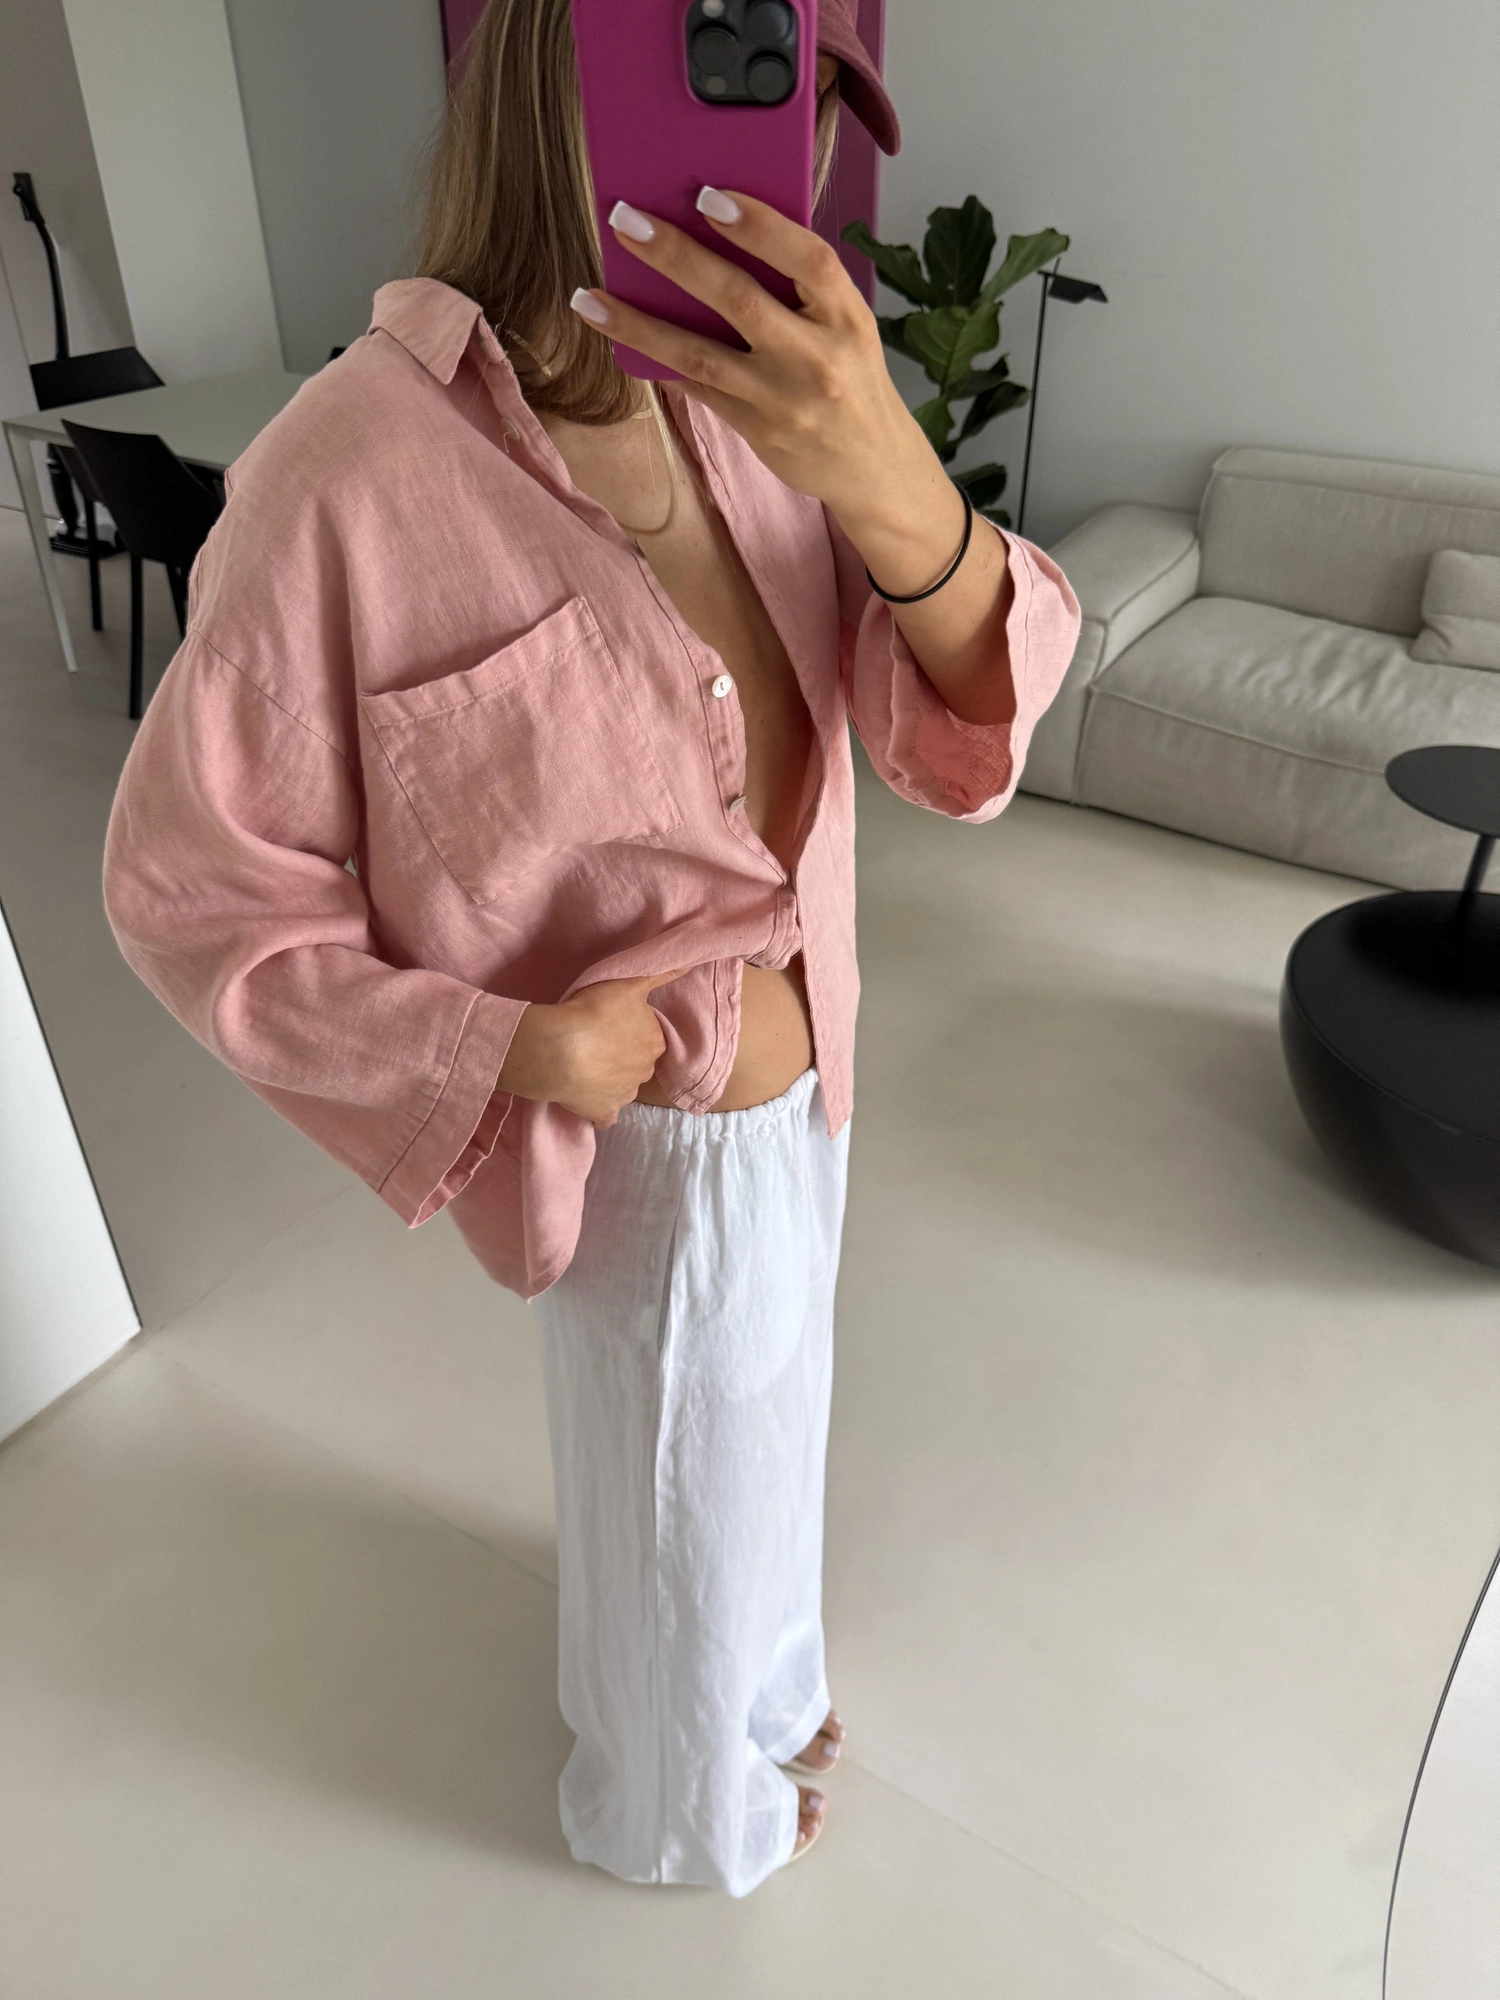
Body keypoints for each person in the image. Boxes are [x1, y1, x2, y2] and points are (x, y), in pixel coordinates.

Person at [101, 0, 1080, 1897]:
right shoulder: (344, 475)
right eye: (712, 85)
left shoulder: (774, 410)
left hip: (822, 1080)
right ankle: (673, 1815)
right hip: (646, 1148)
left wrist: (889, 471)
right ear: (557, 86)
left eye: (805, 105)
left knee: (755, 1453)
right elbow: (187, 890)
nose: (789, 163)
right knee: (669, 1500)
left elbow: (971, 720)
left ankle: (762, 1692)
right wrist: (496, 1049)